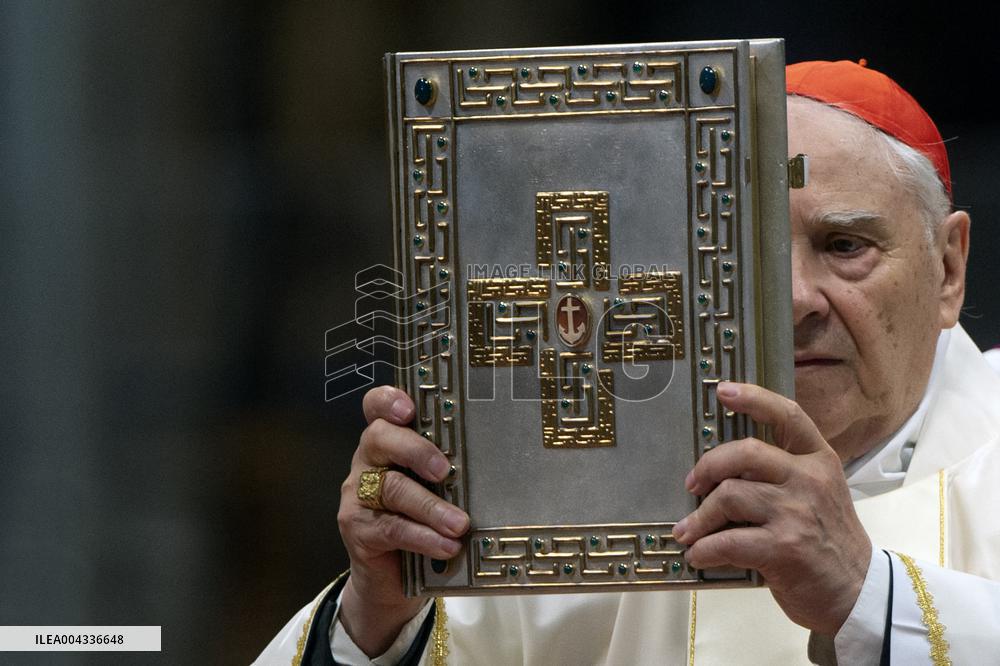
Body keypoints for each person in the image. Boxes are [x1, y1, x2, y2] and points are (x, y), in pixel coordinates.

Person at [257, 61, 1000, 665]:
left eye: (845, 247)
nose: (797, 297)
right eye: (749, 254)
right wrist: (377, 616)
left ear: (947, 268)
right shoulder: (581, 491)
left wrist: (868, 600)